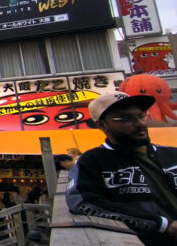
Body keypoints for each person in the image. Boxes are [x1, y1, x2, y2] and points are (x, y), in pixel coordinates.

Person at [66, 91, 177, 245]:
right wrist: (161, 224)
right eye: (126, 119)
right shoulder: (92, 161)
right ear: (102, 125)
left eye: (141, 116)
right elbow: (82, 202)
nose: (140, 124)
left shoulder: (172, 154)